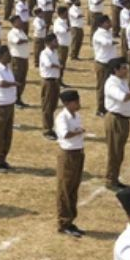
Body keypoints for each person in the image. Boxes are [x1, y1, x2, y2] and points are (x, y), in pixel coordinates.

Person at [54, 89, 87, 238]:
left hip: (78, 153)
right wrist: (78, 132)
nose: (78, 104)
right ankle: (64, 222)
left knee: (73, 187)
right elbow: (65, 134)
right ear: (67, 103)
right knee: (65, 188)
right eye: (76, 101)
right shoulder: (62, 118)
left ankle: (70, 219)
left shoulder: (76, 115)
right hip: (68, 155)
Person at [104, 58, 130, 190]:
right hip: (116, 119)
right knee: (115, 151)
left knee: (119, 151)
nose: (126, 70)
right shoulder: (112, 83)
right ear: (115, 70)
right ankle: (111, 180)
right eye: (123, 68)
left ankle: (115, 178)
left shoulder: (122, 81)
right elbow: (122, 97)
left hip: (123, 119)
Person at [38, 33, 62, 140]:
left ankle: (50, 127)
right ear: (48, 43)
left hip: (55, 81)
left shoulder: (55, 52)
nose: (56, 43)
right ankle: (47, 129)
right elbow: (49, 64)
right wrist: (58, 66)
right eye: (54, 41)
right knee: (47, 106)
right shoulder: (44, 53)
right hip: (48, 81)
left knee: (53, 105)